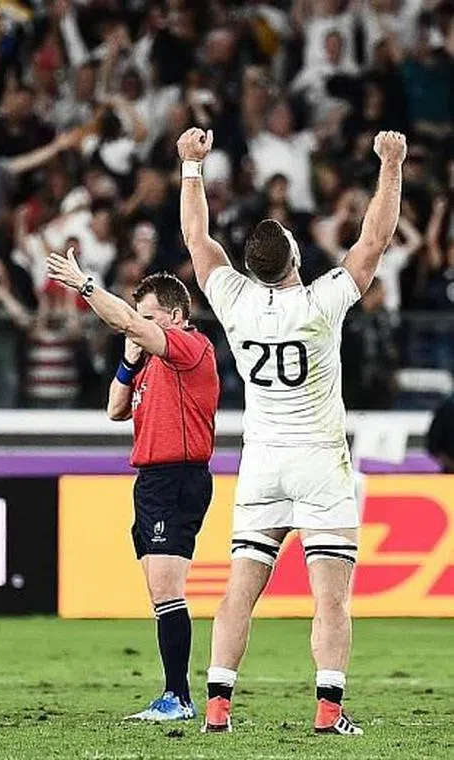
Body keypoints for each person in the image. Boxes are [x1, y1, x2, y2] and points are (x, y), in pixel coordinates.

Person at [176, 127, 406, 735]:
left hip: (262, 462)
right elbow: (375, 240)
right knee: (330, 597)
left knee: (240, 590)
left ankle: (218, 708)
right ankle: (328, 712)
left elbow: (197, 239)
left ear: (251, 266)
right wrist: (391, 165)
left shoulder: (234, 300)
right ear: (296, 259)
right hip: (319, 462)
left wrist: (191, 165)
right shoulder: (321, 301)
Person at [47, 257, 219, 721]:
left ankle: (178, 698)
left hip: (178, 476)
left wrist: (84, 285)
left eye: (148, 318)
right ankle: (175, 695)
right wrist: (127, 361)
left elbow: (122, 320)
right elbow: (115, 409)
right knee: (160, 593)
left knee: (168, 590)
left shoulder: (190, 348)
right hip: (151, 481)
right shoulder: (149, 361)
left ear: (176, 317)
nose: (138, 326)